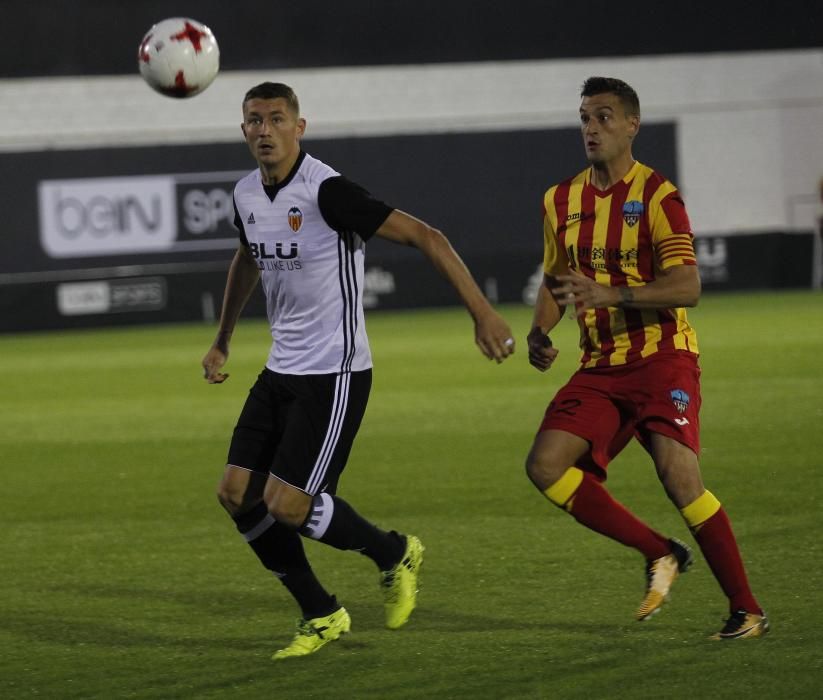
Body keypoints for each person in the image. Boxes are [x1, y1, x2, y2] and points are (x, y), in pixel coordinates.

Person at [202, 81, 515, 660]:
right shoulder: (247, 194)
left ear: (300, 127)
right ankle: (321, 613)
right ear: (242, 129)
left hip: (334, 373)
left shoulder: (329, 192)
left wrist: (483, 314)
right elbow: (247, 257)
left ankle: (393, 552)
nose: (264, 130)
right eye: (253, 120)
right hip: (280, 372)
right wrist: (223, 340)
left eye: (276, 119)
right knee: (234, 493)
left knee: (287, 506)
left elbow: (428, 236)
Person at [524, 76, 768, 640]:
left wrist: (615, 294)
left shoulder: (659, 196)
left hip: (662, 359)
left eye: (604, 117)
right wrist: (539, 332)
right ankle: (660, 551)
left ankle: (747, 609)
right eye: (585, 117)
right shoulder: (559, 200)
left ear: (633, 124)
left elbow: (687, 286)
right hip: (600, 364)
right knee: (544, 466)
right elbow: (555, 278)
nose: (591, 127)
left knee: (679, 477)